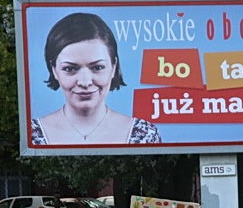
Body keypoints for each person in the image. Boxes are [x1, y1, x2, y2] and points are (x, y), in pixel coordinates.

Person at [32, 12, 161, 145]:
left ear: (114, 66)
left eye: (97, 67)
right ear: (54, 70)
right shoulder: (32, 135)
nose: (85, 82)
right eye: (70, 69)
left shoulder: (146, 135)